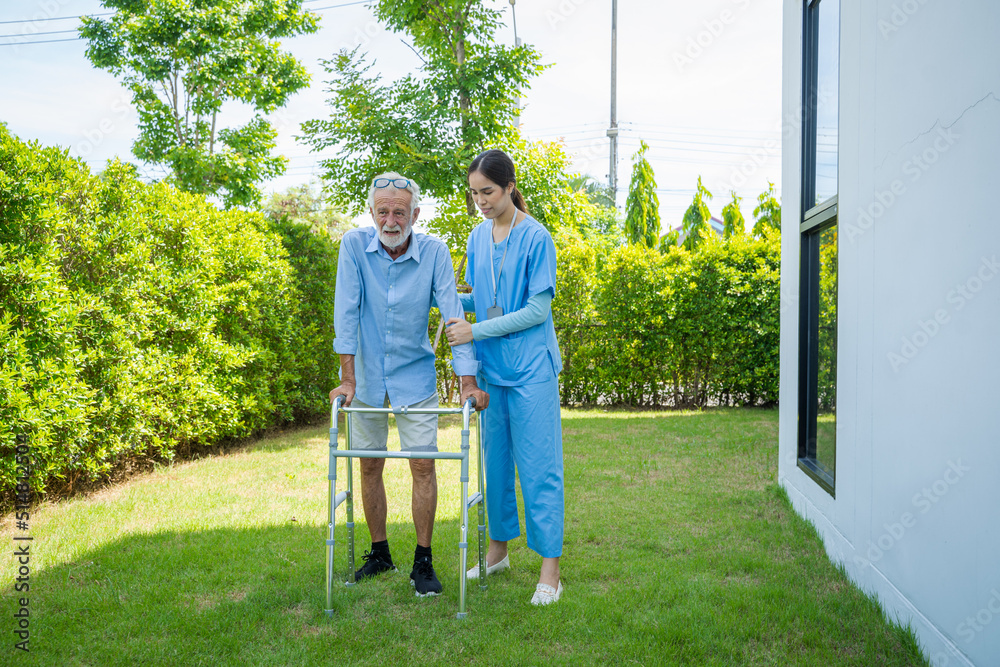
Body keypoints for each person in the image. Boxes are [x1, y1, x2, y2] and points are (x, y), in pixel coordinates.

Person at [330, 172, 489, 598]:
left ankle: (423, 561)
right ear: (371, 212)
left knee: (423, 466)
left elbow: (453, 317)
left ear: (415, 214)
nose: (391, 219)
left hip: (414, 377)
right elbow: (346, 313)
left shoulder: (435, 252)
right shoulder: (353, 247)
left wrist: (467, 383)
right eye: (382, 211)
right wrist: (347, 379)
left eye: (400, 211)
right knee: (369, 465)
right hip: (364, 380)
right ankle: (380, 552)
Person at [444, 149, 565, 606]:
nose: (481, 201)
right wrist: (444, 300)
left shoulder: (537, 238)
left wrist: (473, 329)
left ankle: (550, 572)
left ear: (510, 186)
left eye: (488, 192)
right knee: (494, 469)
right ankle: (498, 552)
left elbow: (536, 311)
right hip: (492, 374)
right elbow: (482, 298)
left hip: (532, 371)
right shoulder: (477, 238)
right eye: (474, 193)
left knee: (539, 471)